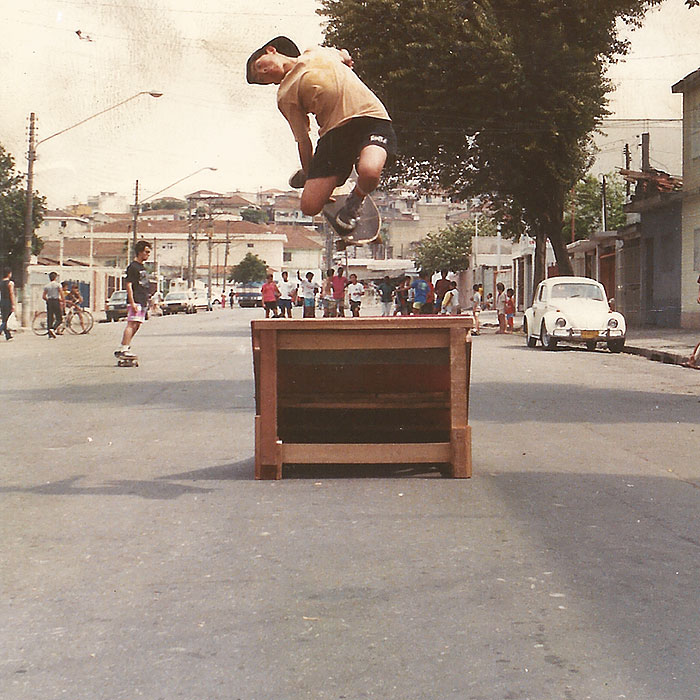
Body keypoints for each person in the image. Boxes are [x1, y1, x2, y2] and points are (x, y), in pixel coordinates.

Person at [246, 36, 397, 235]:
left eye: (259, 66)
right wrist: (310, 175)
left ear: (271, 50)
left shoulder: (316, 52)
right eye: (261, 79)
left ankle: (354, 202)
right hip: (335, 135)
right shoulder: (285, 95)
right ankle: (307, 175)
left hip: (371, 118)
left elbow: (342, 54)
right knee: (309, 207)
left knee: (369, 172)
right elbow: (303, 139)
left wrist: (345, 56)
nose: (263, 72)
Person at [114, 240, 152, 359]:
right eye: (146, 252)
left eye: (149, 252)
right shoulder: (133, 267)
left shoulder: (142, 267)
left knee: (137, 324)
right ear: (140, 252)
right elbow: (129, 285)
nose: (148, 254)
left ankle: (125, 346)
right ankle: (123, 348)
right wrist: (132, 302)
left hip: (142, 300)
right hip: (136, 300)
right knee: (131, 324)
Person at [43, 271, 64, 339]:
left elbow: (43, 296)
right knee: (59, 318)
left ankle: (50, 334)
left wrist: (48, 300)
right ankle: (53, 328)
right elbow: (61, 294)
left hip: (49, 301)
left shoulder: (46, 286)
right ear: (55, 277)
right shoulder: (58, 285)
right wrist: (63, 301)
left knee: (50, 317)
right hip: (56, 301)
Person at [0, 268, 17, 341]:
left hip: (2, 301)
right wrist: (13, 304)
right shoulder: (10, 283)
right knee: (6, 319)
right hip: (8, 301)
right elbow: (11, 293)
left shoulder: (1, 283)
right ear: (9, 273)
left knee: (4, 318)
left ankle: (8, 335)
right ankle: (1, 330)